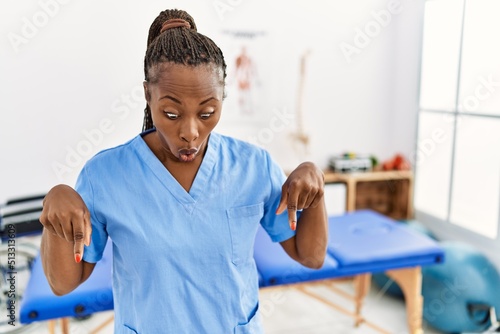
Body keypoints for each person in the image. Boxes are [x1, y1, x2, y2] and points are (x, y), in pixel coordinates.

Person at [39, 9, 327, 333]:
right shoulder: (104, 176)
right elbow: (63, 284)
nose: (190, 132)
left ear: (222, 98)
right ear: (148, 95)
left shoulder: (253, 167)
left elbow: (311, 256)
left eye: (207, 113)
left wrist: (314, 183)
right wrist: (56, 202)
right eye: (172, 113)